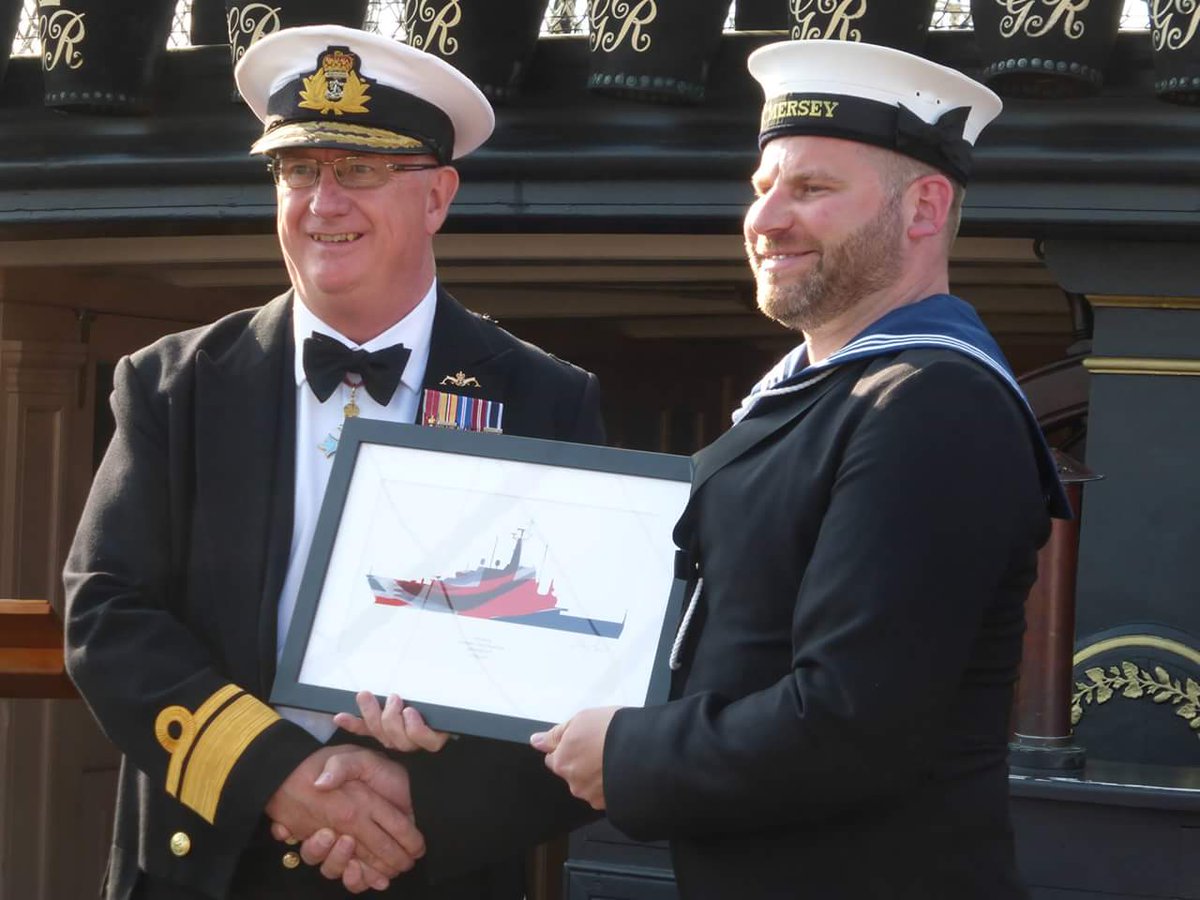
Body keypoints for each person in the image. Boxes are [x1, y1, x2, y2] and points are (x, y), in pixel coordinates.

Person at [64, 24, 600, 900]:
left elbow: (581, 668)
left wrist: (422, 802)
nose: (323, 202)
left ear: (438, 197)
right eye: (297, 170)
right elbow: (106, 613)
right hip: (209, 860)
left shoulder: (545, 400)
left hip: (427, 863)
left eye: (359, 171)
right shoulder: (173, 384)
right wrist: (276, 775)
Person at [531, 39, 1071, 900]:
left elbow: (850, 724)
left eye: (813, 189)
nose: (768, 218)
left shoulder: (932, 404)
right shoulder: (829, 395)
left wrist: (629, 752)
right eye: (763, 189)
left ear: (925, 206)